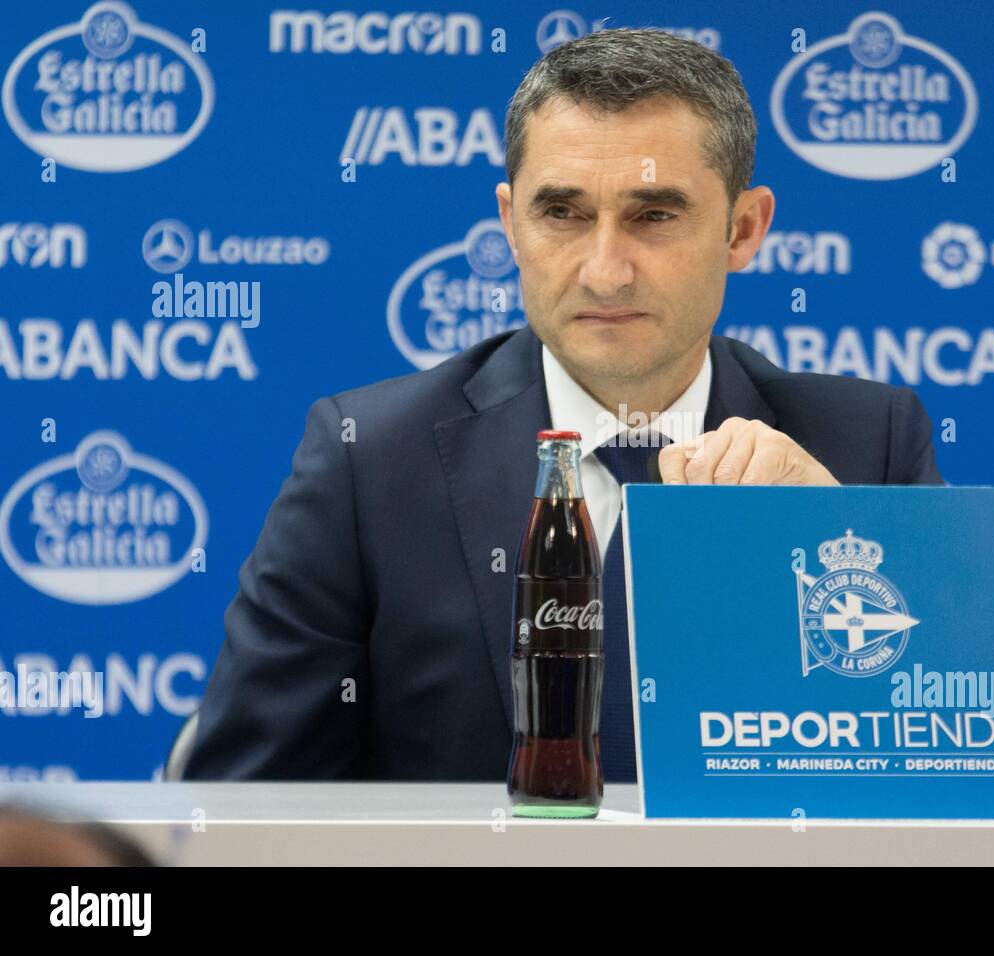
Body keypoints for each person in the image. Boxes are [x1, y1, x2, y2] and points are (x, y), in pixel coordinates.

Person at [184, 28, 942, 782]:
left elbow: (971, 760)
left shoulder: (863, 448)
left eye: (654, 215)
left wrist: (838, 540)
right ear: (511, 224)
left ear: (742, 229)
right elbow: (240, 806)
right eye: (563, 213)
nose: (606, 273)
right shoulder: (370, 459)